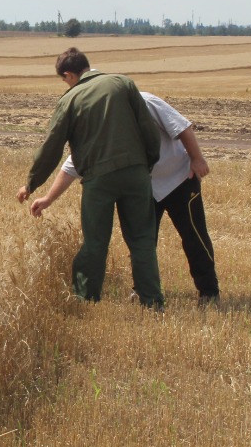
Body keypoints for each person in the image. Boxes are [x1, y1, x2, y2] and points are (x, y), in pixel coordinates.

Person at [29, 93, 220, 306]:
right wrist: (48, 198)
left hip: (180, 178)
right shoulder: (98, 119)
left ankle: (209, 293)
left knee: (194, 236)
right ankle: (143, 291)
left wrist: (197, 159)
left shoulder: (145, 101)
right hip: (143, 189)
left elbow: (182, 127)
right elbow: (73, 164)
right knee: (143, 243)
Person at [16, 47, 164, 308]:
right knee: (142, 239)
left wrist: (32, 182)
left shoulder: (70, 99)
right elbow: (148, 130)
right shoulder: (123, 83)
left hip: (99, 180)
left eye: (64, 79)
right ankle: (152, 302)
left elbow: (52, 146)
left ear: (69, 74)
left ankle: (86, 299)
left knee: (95, 242)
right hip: (136, 173)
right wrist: (147, 164)